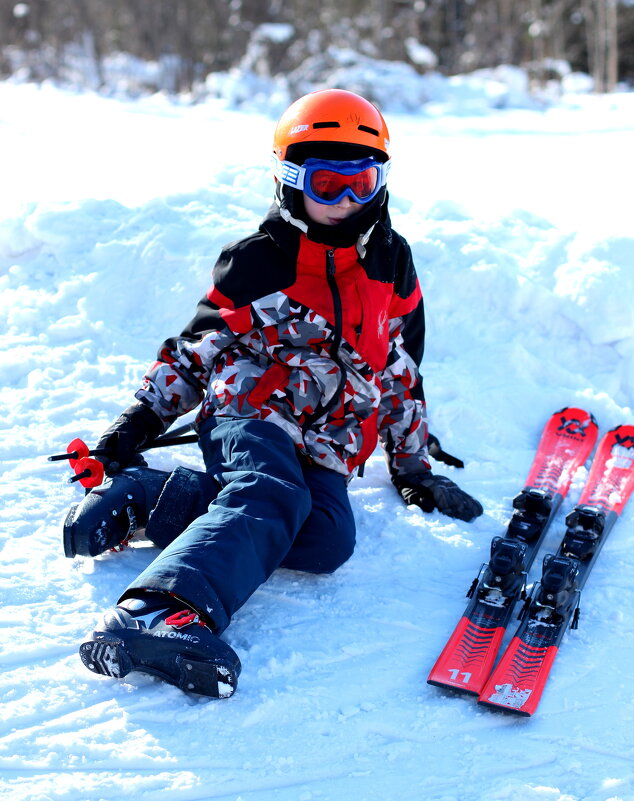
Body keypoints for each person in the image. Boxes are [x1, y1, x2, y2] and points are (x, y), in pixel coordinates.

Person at [71, 89, 483, 699]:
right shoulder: (260, 262)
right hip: (251, 407)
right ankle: (158, 611)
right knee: (270, 490)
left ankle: (154, 497)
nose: (345, 202)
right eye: (325, 184)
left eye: (360, 182)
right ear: (289, 180)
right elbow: (195, 353)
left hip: (325, 440)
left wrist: (413, 464)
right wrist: (132, 427)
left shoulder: (391, 263)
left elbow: (399, 369)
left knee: (325, 541)